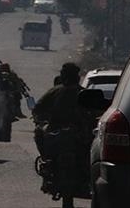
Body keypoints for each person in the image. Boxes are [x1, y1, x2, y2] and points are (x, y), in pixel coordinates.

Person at [31, 63, 89, 193]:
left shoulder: (63, 91)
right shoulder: (66, 91)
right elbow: (38, 109)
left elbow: (38, 108)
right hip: (59, 131)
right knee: (39, 134)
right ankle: (47, 163)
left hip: (74, 133)